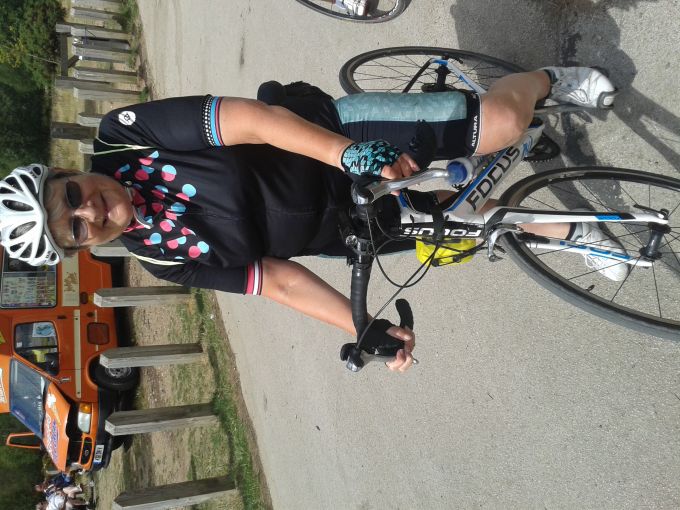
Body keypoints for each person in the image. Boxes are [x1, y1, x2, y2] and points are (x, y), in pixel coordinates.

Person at [0, 67, 621, 371]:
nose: (88, 210)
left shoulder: (125, 137)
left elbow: (253, 120)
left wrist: (347, 153)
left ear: (68, 171)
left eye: (72, 194)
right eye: (74, 226)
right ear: (81, 247)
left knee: (503, 123)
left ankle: (544, 80)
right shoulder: (159, 257)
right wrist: (363, 325)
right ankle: (577, 233)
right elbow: (274, 279)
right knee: (463, 225)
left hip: (330, 138)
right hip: (346, 227)